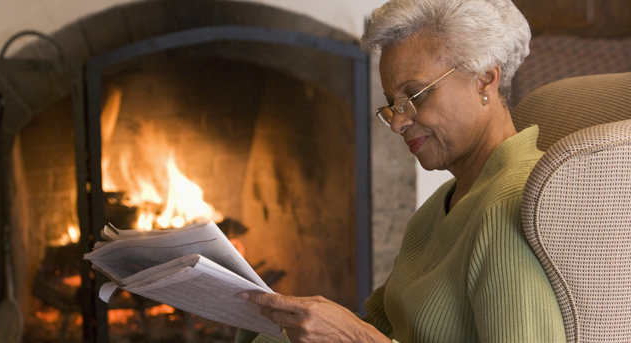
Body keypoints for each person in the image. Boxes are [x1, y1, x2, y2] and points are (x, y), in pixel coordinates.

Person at [236, 0, 566, 342]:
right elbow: (383, 323)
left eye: (415, 95)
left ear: (485, 80)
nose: (398, 123)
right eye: (393, 105)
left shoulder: (513, 204)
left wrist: (357, 338)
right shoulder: (442, 204)